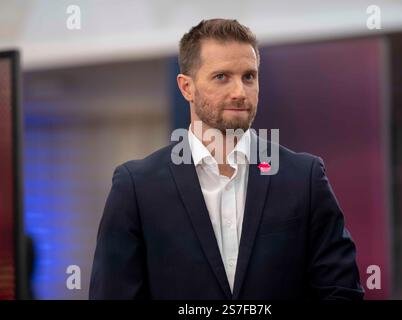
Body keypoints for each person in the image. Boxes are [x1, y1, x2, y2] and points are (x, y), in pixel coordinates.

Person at [89, 18, 364, 300]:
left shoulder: (304, 177)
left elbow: (340, 291)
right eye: (222, 77)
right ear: (187, 88)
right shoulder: (137, 187)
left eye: (249, 76)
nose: (240, 92)